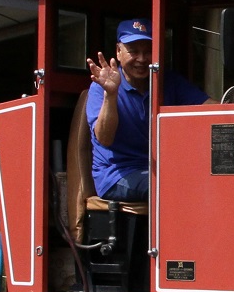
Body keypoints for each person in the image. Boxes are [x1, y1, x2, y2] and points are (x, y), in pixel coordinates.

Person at [86, 18, 206, 201]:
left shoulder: (169, 81)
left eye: (148, 51)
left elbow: (209, 106)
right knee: (169, 186)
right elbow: (104, 138)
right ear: (118, 51)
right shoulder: (100, 88)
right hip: (118, 174)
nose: (142, 59)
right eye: (133, 51)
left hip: (159, 169)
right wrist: (111, 94)